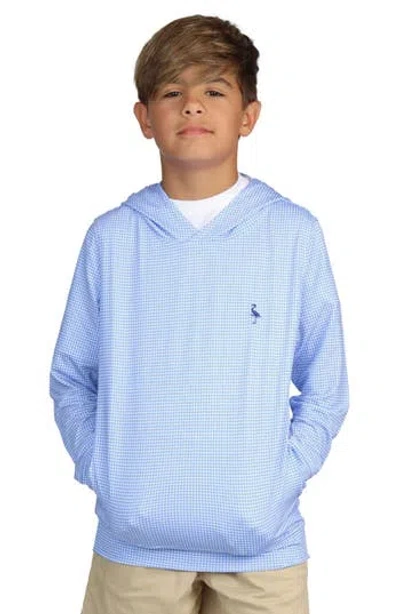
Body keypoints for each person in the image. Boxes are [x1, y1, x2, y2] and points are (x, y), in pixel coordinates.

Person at [49, 14, 349, 614]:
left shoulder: (292, 234)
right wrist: (106, 474)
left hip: (262, 549)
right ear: (144, 118)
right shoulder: (113, 239)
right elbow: (72, 377)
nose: (192, 105)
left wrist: (276, 485)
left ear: (248, 115)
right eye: (171, 92)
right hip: (134, 547)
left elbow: (326, 384)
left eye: (214, 90)